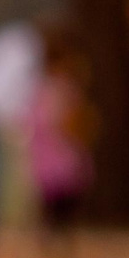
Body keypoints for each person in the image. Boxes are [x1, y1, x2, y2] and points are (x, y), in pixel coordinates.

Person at [22, 22, 93, 237]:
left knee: (59, 215)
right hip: (56, 164)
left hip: (55, 165)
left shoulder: (46, 90)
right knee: (56, 216)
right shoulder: (55, 91)